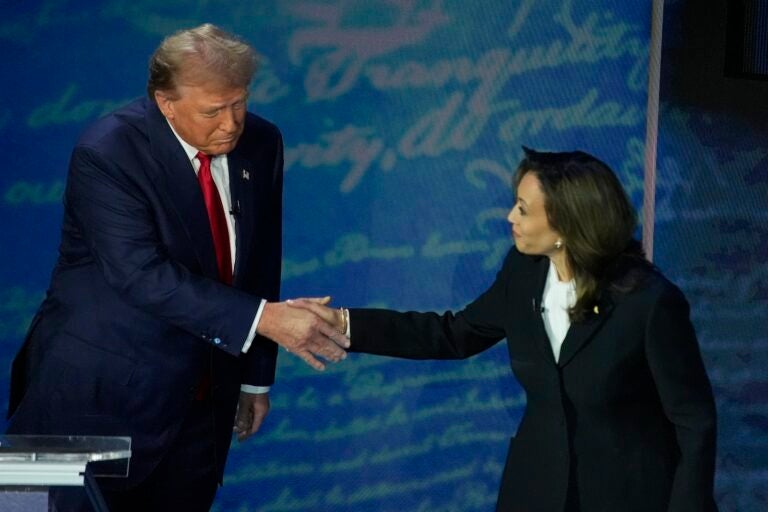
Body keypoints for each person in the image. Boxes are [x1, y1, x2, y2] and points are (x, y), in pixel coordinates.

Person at [6, 24, 348, 512]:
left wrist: (253, 380)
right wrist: (267, 319)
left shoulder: (262, 141)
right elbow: (140, 274)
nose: (231, 123)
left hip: (198, 409)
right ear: (166, 103)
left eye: (240, 102)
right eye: (213, 111)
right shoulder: (106, 152)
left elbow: (258, 261)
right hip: (83, 399)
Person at [290, 148, 718, 511]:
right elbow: (452, 334)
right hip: (535, 490)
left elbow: (694, 421)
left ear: (568, 225)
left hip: (628, 495)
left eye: (524, 209)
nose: (510, 216)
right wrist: (345, 322)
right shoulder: (523, 272)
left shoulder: (649, 302)